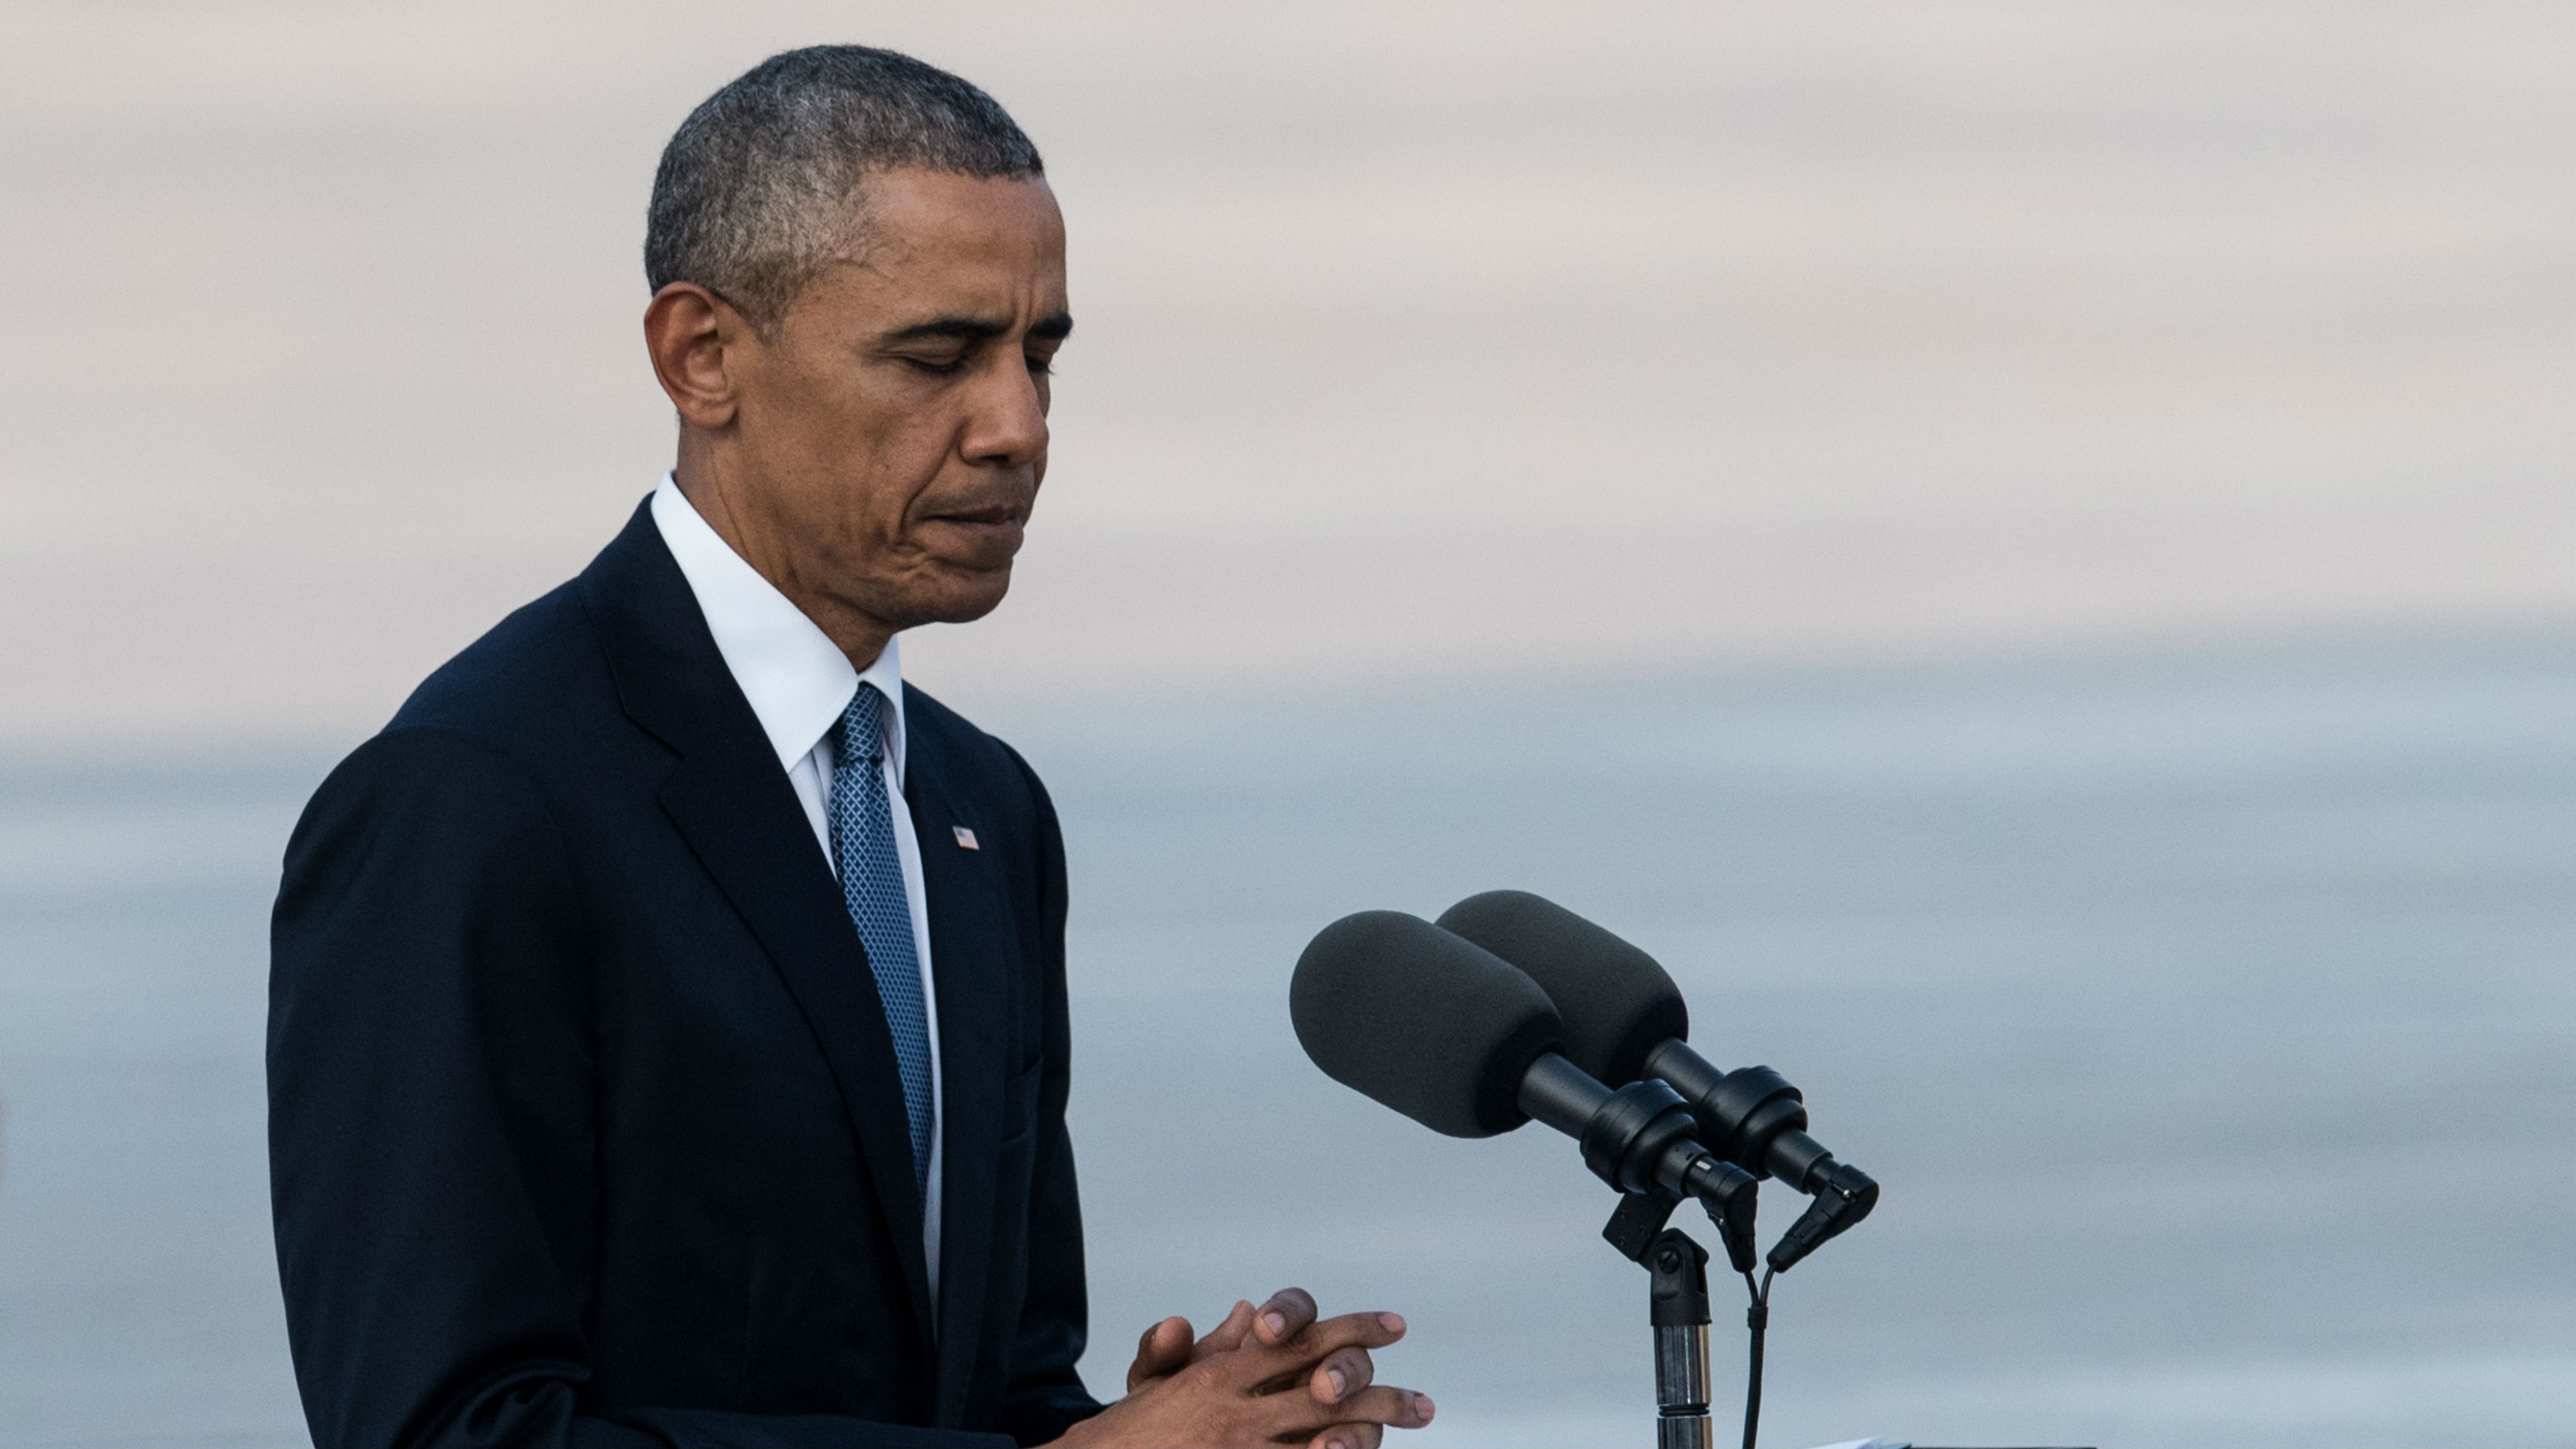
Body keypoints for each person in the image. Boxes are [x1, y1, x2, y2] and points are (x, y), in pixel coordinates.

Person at [266, 45, 1435, 1449]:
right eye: (937, 356)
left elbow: (986, 1395)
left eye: (1040, 353)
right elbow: (445, 1431)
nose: (1017, 427)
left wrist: (1160, 1425)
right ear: (703, 356)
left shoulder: (984, 807)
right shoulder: (471, 800)